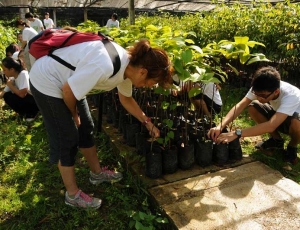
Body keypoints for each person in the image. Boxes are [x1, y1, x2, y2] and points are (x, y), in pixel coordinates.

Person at [29, 33, 172, 209]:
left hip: (69, 81)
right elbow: (68, 91)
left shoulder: (127, 69)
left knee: (86, 128)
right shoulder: (105, 65)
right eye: (154, 81)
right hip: (48, 81)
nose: (152, 86)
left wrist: (147, 122)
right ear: (143, 72)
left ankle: (96, 174)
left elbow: (126, 99)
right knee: (68, 137)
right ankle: (72, 195)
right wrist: (73, 115)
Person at [208, 66, 300, 165]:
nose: (259, 98)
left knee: (296, 121)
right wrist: (220, 125)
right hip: (280, 116)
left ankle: (292, 146)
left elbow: (271, 125)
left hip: (293, 122)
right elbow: (240, 106)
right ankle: (276, 141)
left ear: (276, 91)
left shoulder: (291, 95)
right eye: (256, 94)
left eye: (263, 96)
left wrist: (237, 133)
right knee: (253, 107)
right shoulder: (259, 87)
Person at [0, 57, 39, 122]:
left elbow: (22, 94)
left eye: (4, 70)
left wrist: (10, 86)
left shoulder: (23, 74)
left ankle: (32, 113)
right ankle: (25, 112)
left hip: (34, 100)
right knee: (7, 95)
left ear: (12, 69)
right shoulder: (13, 78)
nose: (4, 72)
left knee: (12, 96)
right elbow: (3, 93)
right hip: (27, 99)